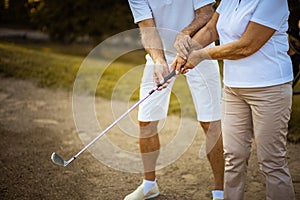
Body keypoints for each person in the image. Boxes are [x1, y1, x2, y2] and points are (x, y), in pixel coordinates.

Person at [172, 0, 296, 199]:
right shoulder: (229, 1)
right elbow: (212, 29)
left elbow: (246, 46)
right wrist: (187, 51)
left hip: (269, 89)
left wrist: (201, 54)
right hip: (233, 89)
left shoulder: (273, 2)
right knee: (233, 157)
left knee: (271, 162)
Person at [125, 1, 224, 200]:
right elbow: (147, 29)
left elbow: (206, 14)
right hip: (161, 54)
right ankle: (149, 185)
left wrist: (185, 33)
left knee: (210, 123)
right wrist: (159, 61)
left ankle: (220, 192)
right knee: (146, 120)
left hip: (200, 51)